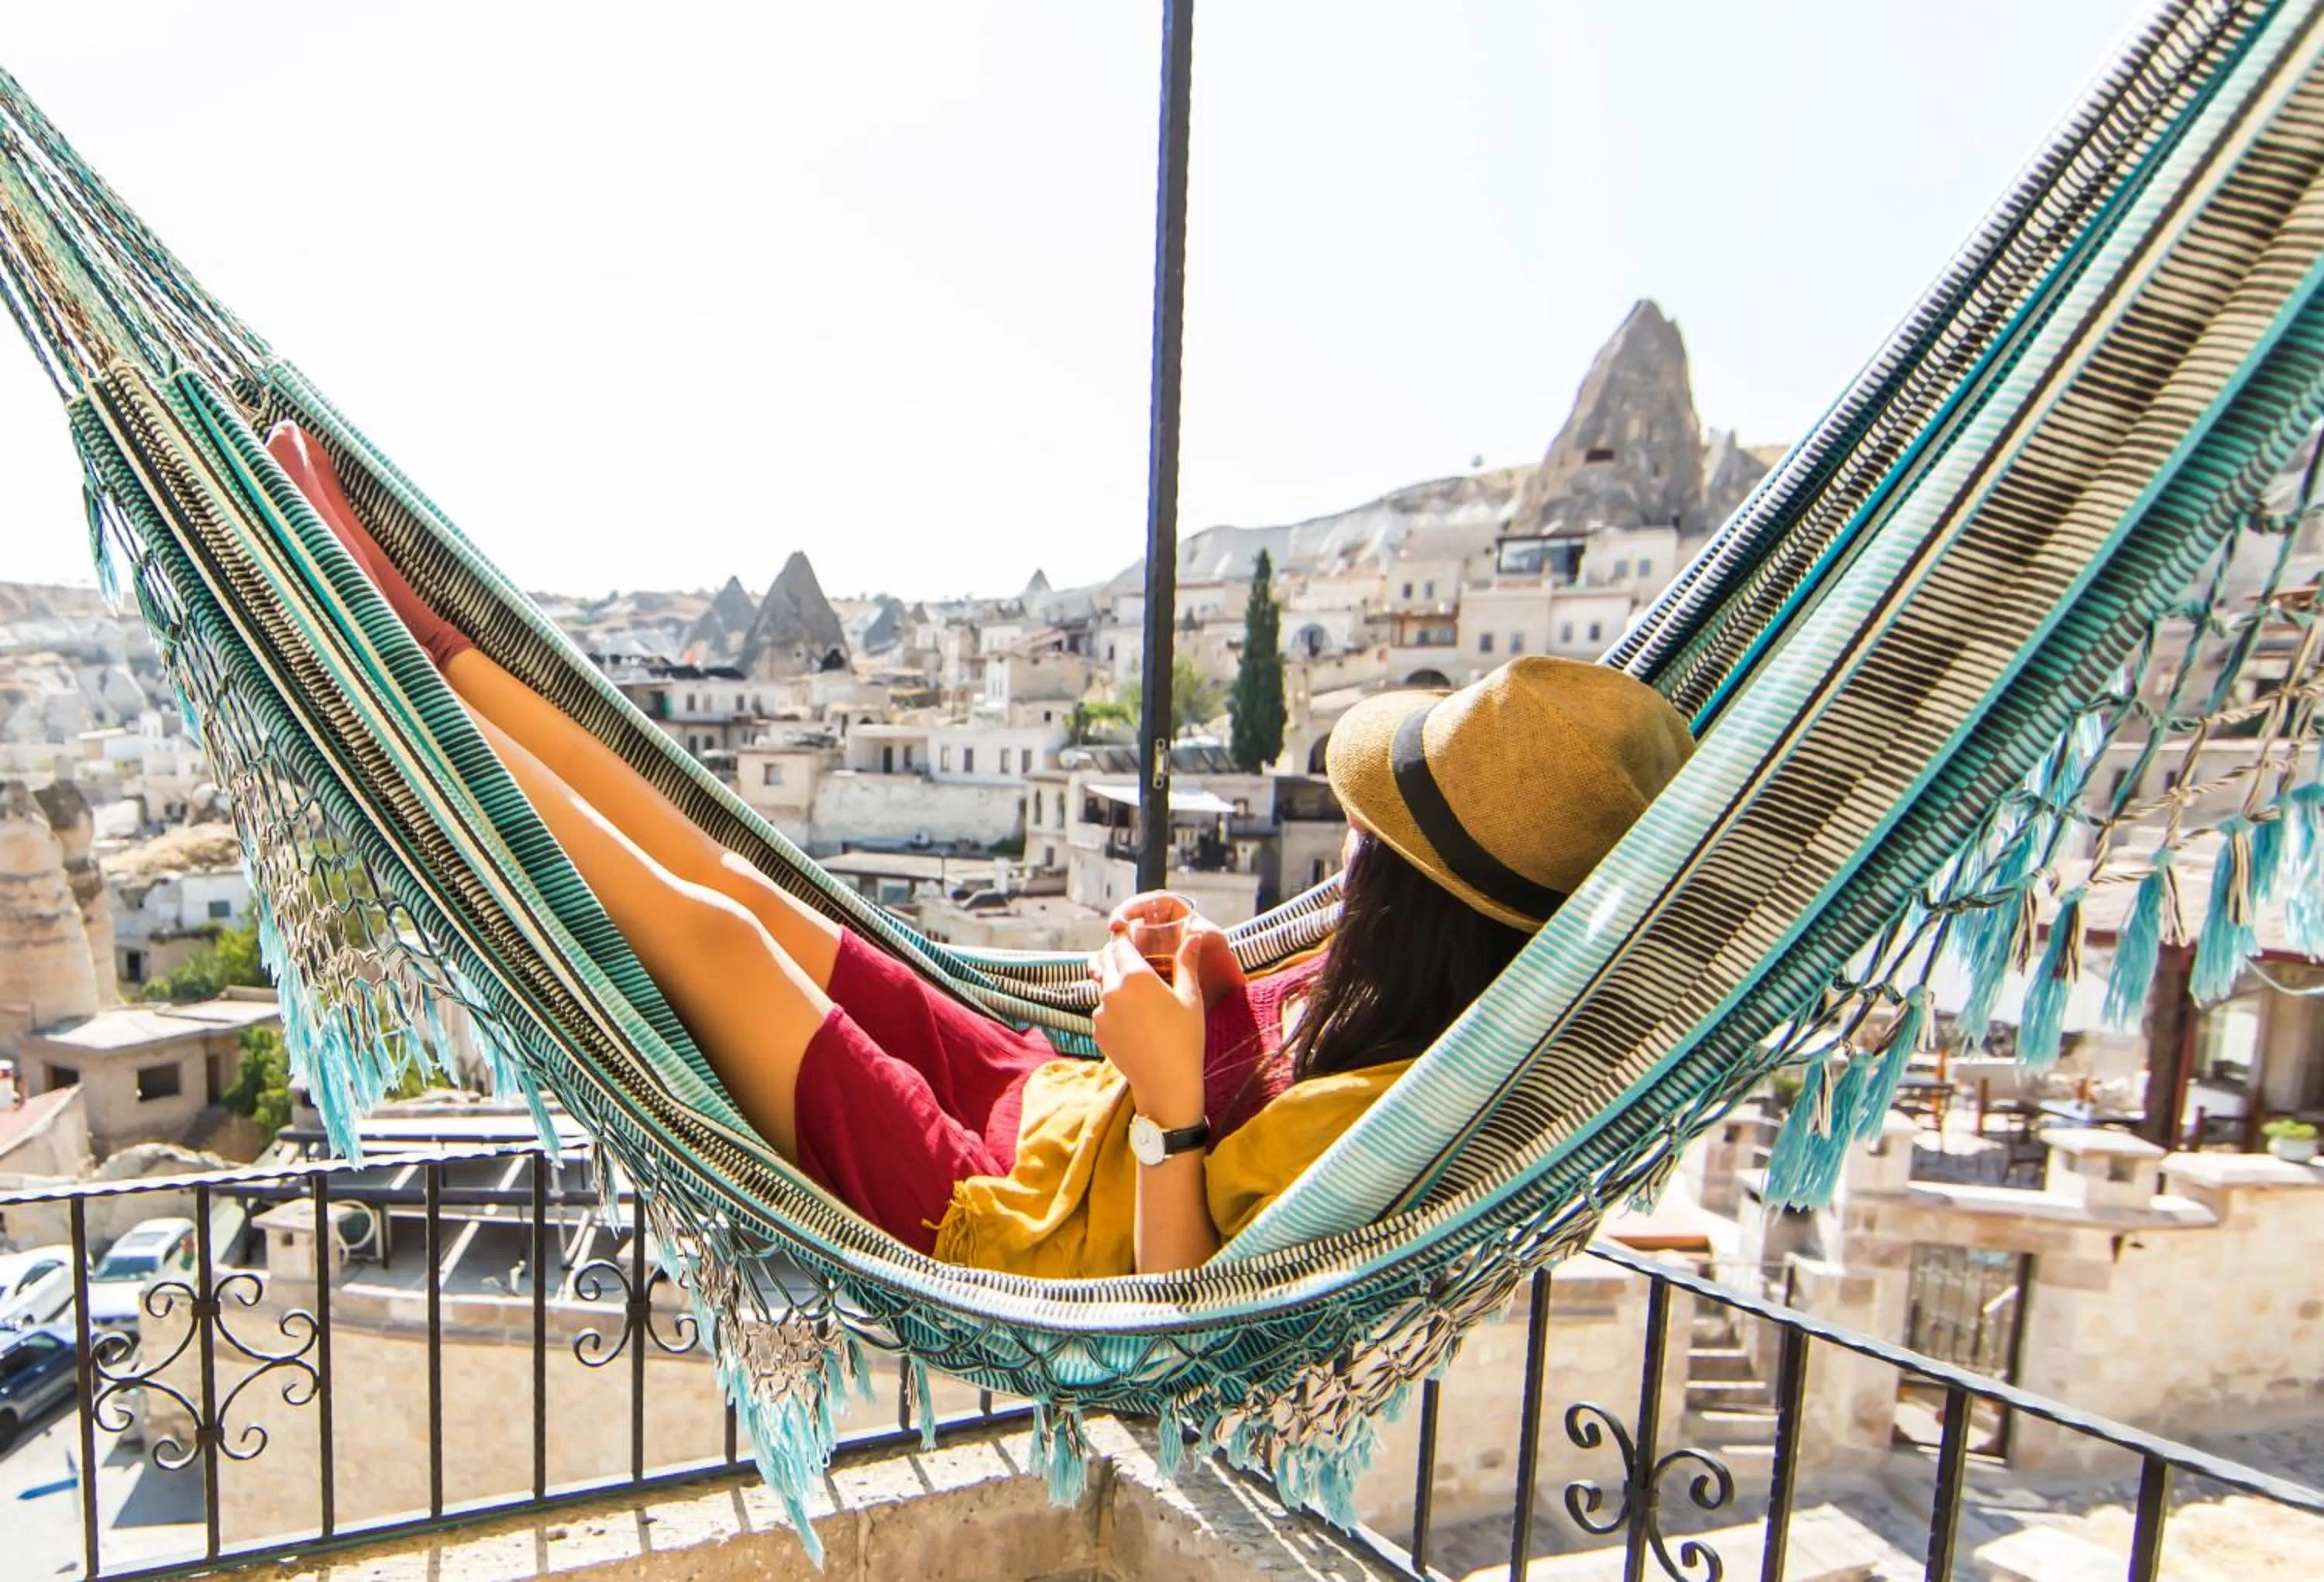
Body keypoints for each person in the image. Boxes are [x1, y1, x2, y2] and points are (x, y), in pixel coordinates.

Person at [263, 421, 1694, 1278]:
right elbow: (1250, 1088)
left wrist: (1167, 1105)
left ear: (1420, 902)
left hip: (992, 1217)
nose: (1352, 863)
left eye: (1371, 846)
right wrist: (1198, 985)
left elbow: (1193, 1311)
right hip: (1042, 1099)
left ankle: (396, 685)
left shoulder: (1419, 1105)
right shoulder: (1411, 994)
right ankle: (438, 648)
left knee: (719, 938)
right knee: (742, 878)